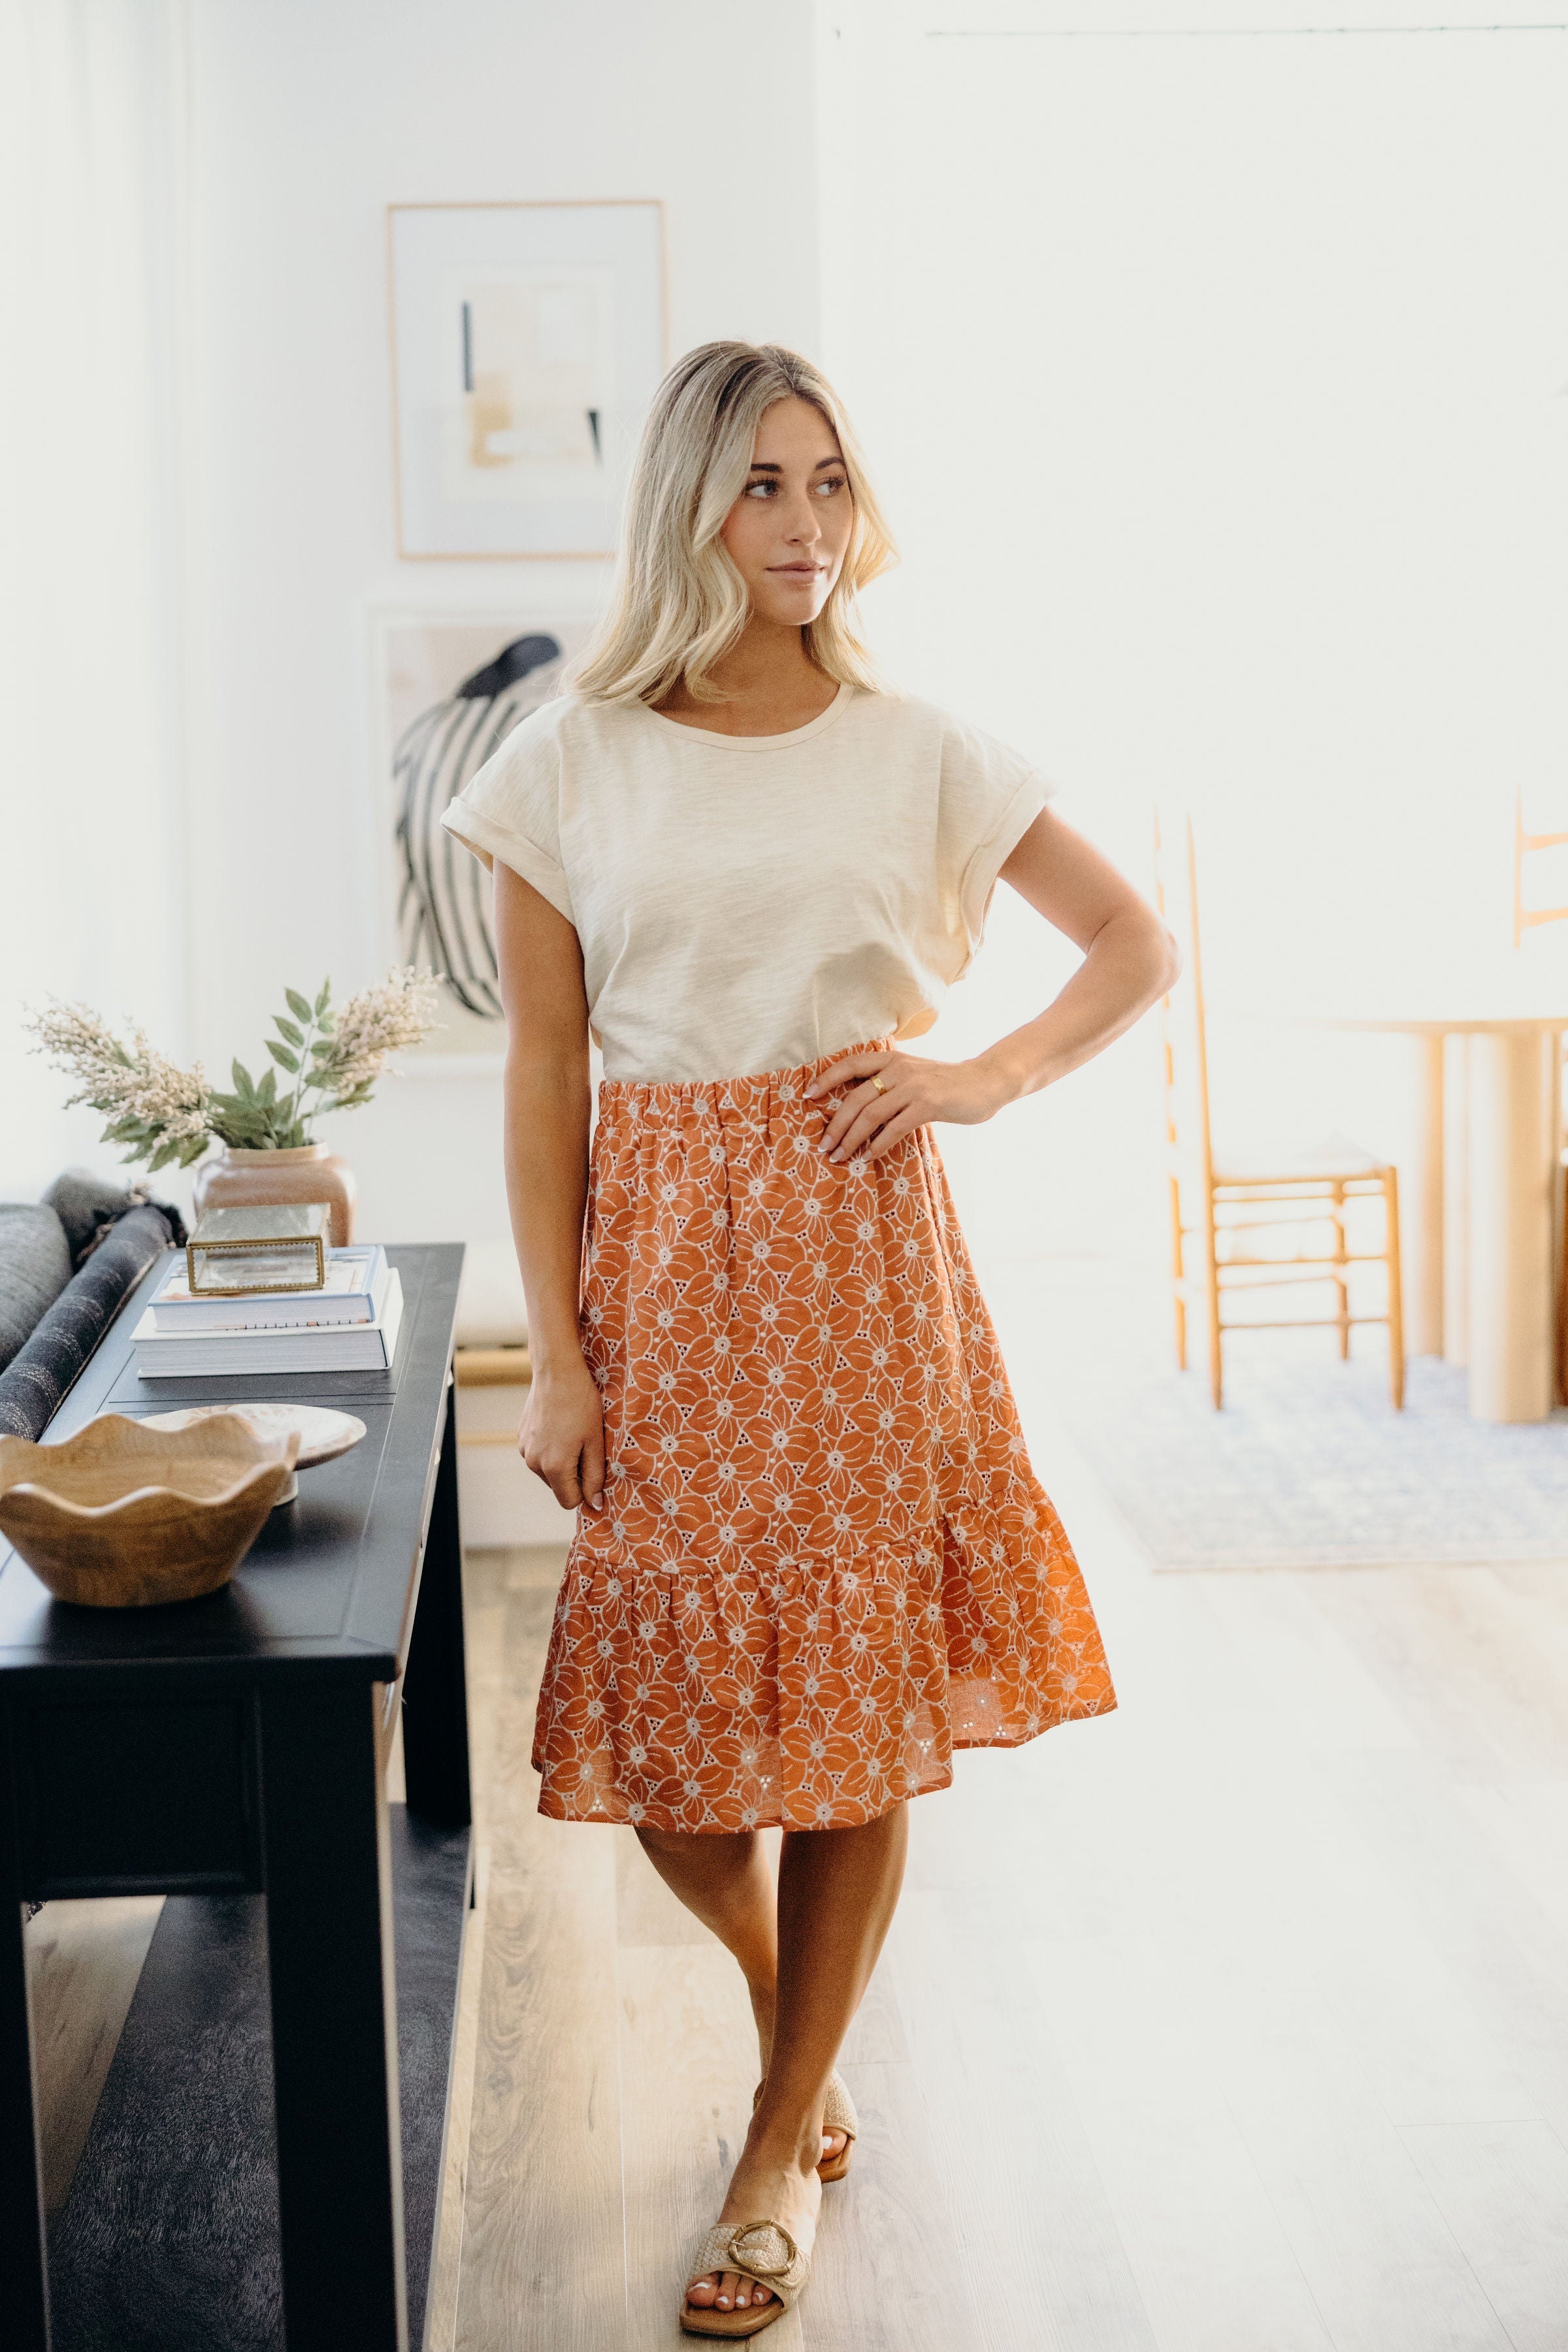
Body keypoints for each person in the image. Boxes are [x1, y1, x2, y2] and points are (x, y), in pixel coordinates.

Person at [440, 340, 1177, 2339]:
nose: (804, 526)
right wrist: (564, 1360)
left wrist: (988, 1075)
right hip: (664, 1274)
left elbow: (1135, 942)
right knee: (688, 1771)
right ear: (689, 506)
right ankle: (799, 2028)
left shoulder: (918, 740)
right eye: (765, 487)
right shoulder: (567, 759)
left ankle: (772, 2154)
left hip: (866, 1269)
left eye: (831, 483)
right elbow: (543, 1080)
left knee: (855, 1722)